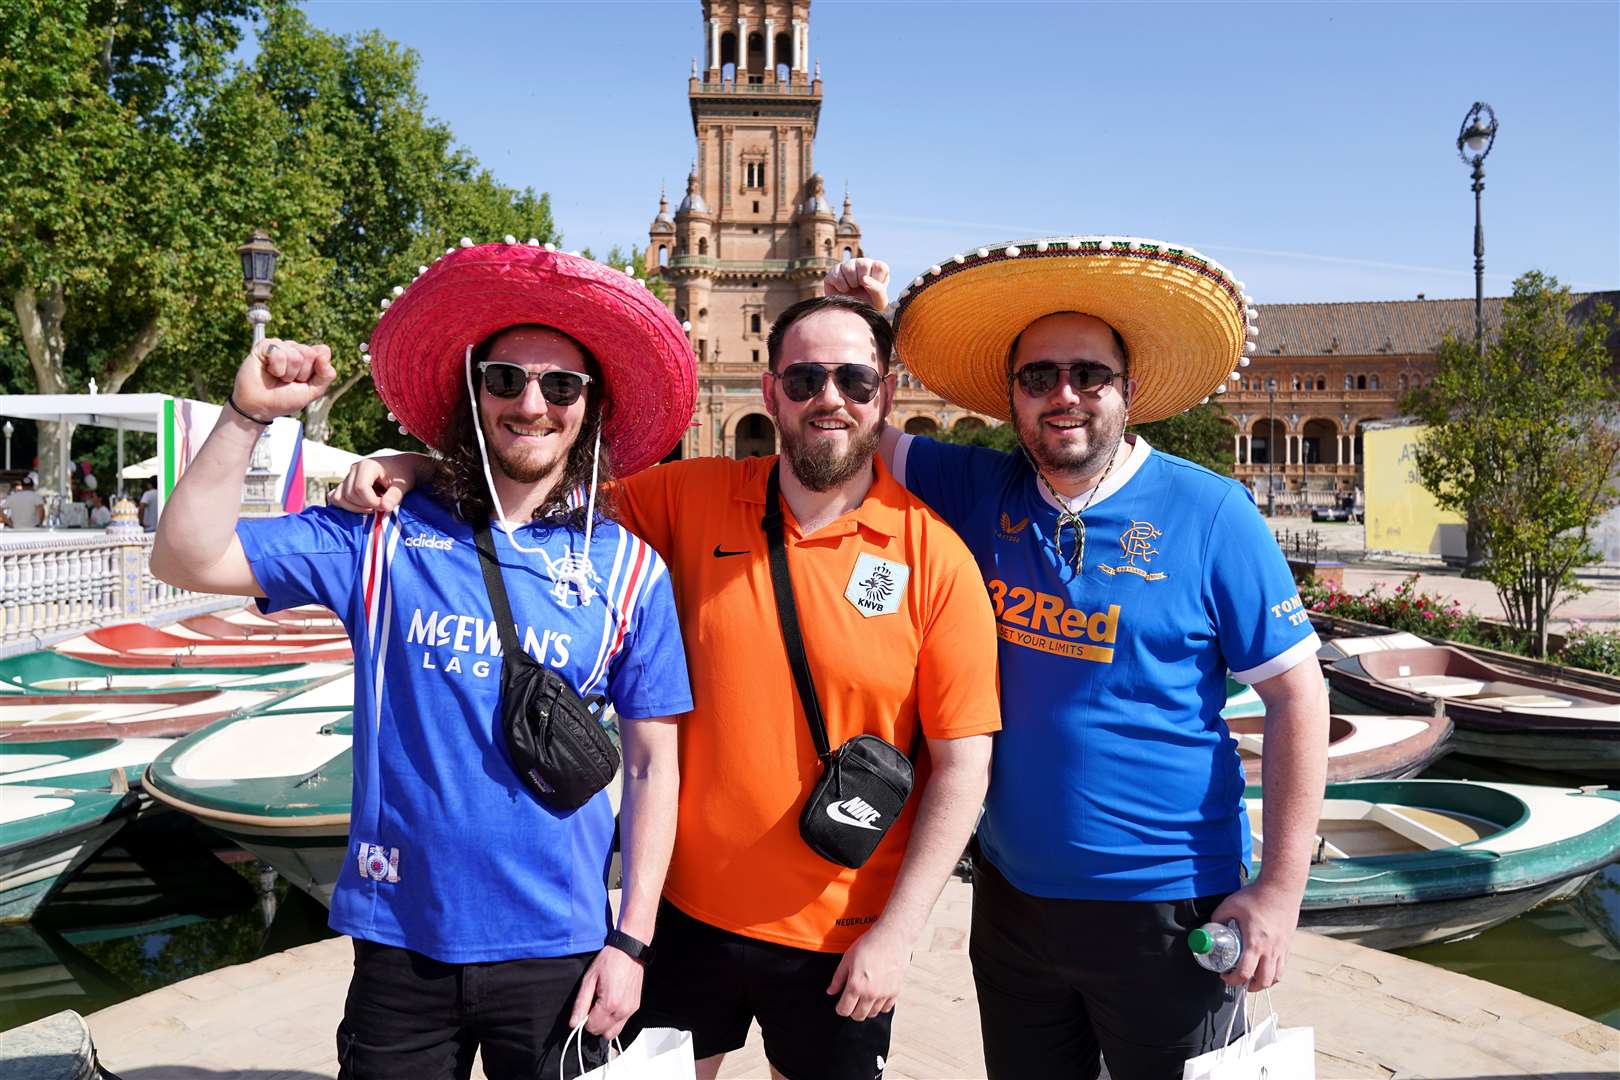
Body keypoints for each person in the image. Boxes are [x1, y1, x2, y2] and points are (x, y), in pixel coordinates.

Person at [337, 294, 1002, 1080]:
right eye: (805, 379)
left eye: (855, 380)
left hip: (840, 932)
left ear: (885, 395)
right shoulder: (691, 497)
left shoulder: (936, 558)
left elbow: (963, 768)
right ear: (769, 391)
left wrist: (897, 936)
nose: (830, 398)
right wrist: (418, 471)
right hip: (683, 922)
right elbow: (537, 491)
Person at [150, 242, 696, 1080]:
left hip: (566, 946)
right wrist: (246, 414)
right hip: (401, 939)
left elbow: (656, 766)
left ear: (591, 406)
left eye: (561, 385)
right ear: (473, 393)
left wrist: (633, 939)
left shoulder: (628, 570)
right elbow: (187, 559)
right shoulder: (381, 534)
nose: (532, 403)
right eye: (505, 379)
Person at [827, 243, 1330, 1079]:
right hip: (1013, 906)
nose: (1063, 395)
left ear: (1127, 392)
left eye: (1089, 375)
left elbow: (1298, 697)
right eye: (1038, 377)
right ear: (1012, 397)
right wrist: (867, 323)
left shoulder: (1210, 513)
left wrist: (1280, 891)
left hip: (1169, 909)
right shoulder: (983, 491)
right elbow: (856, 427)